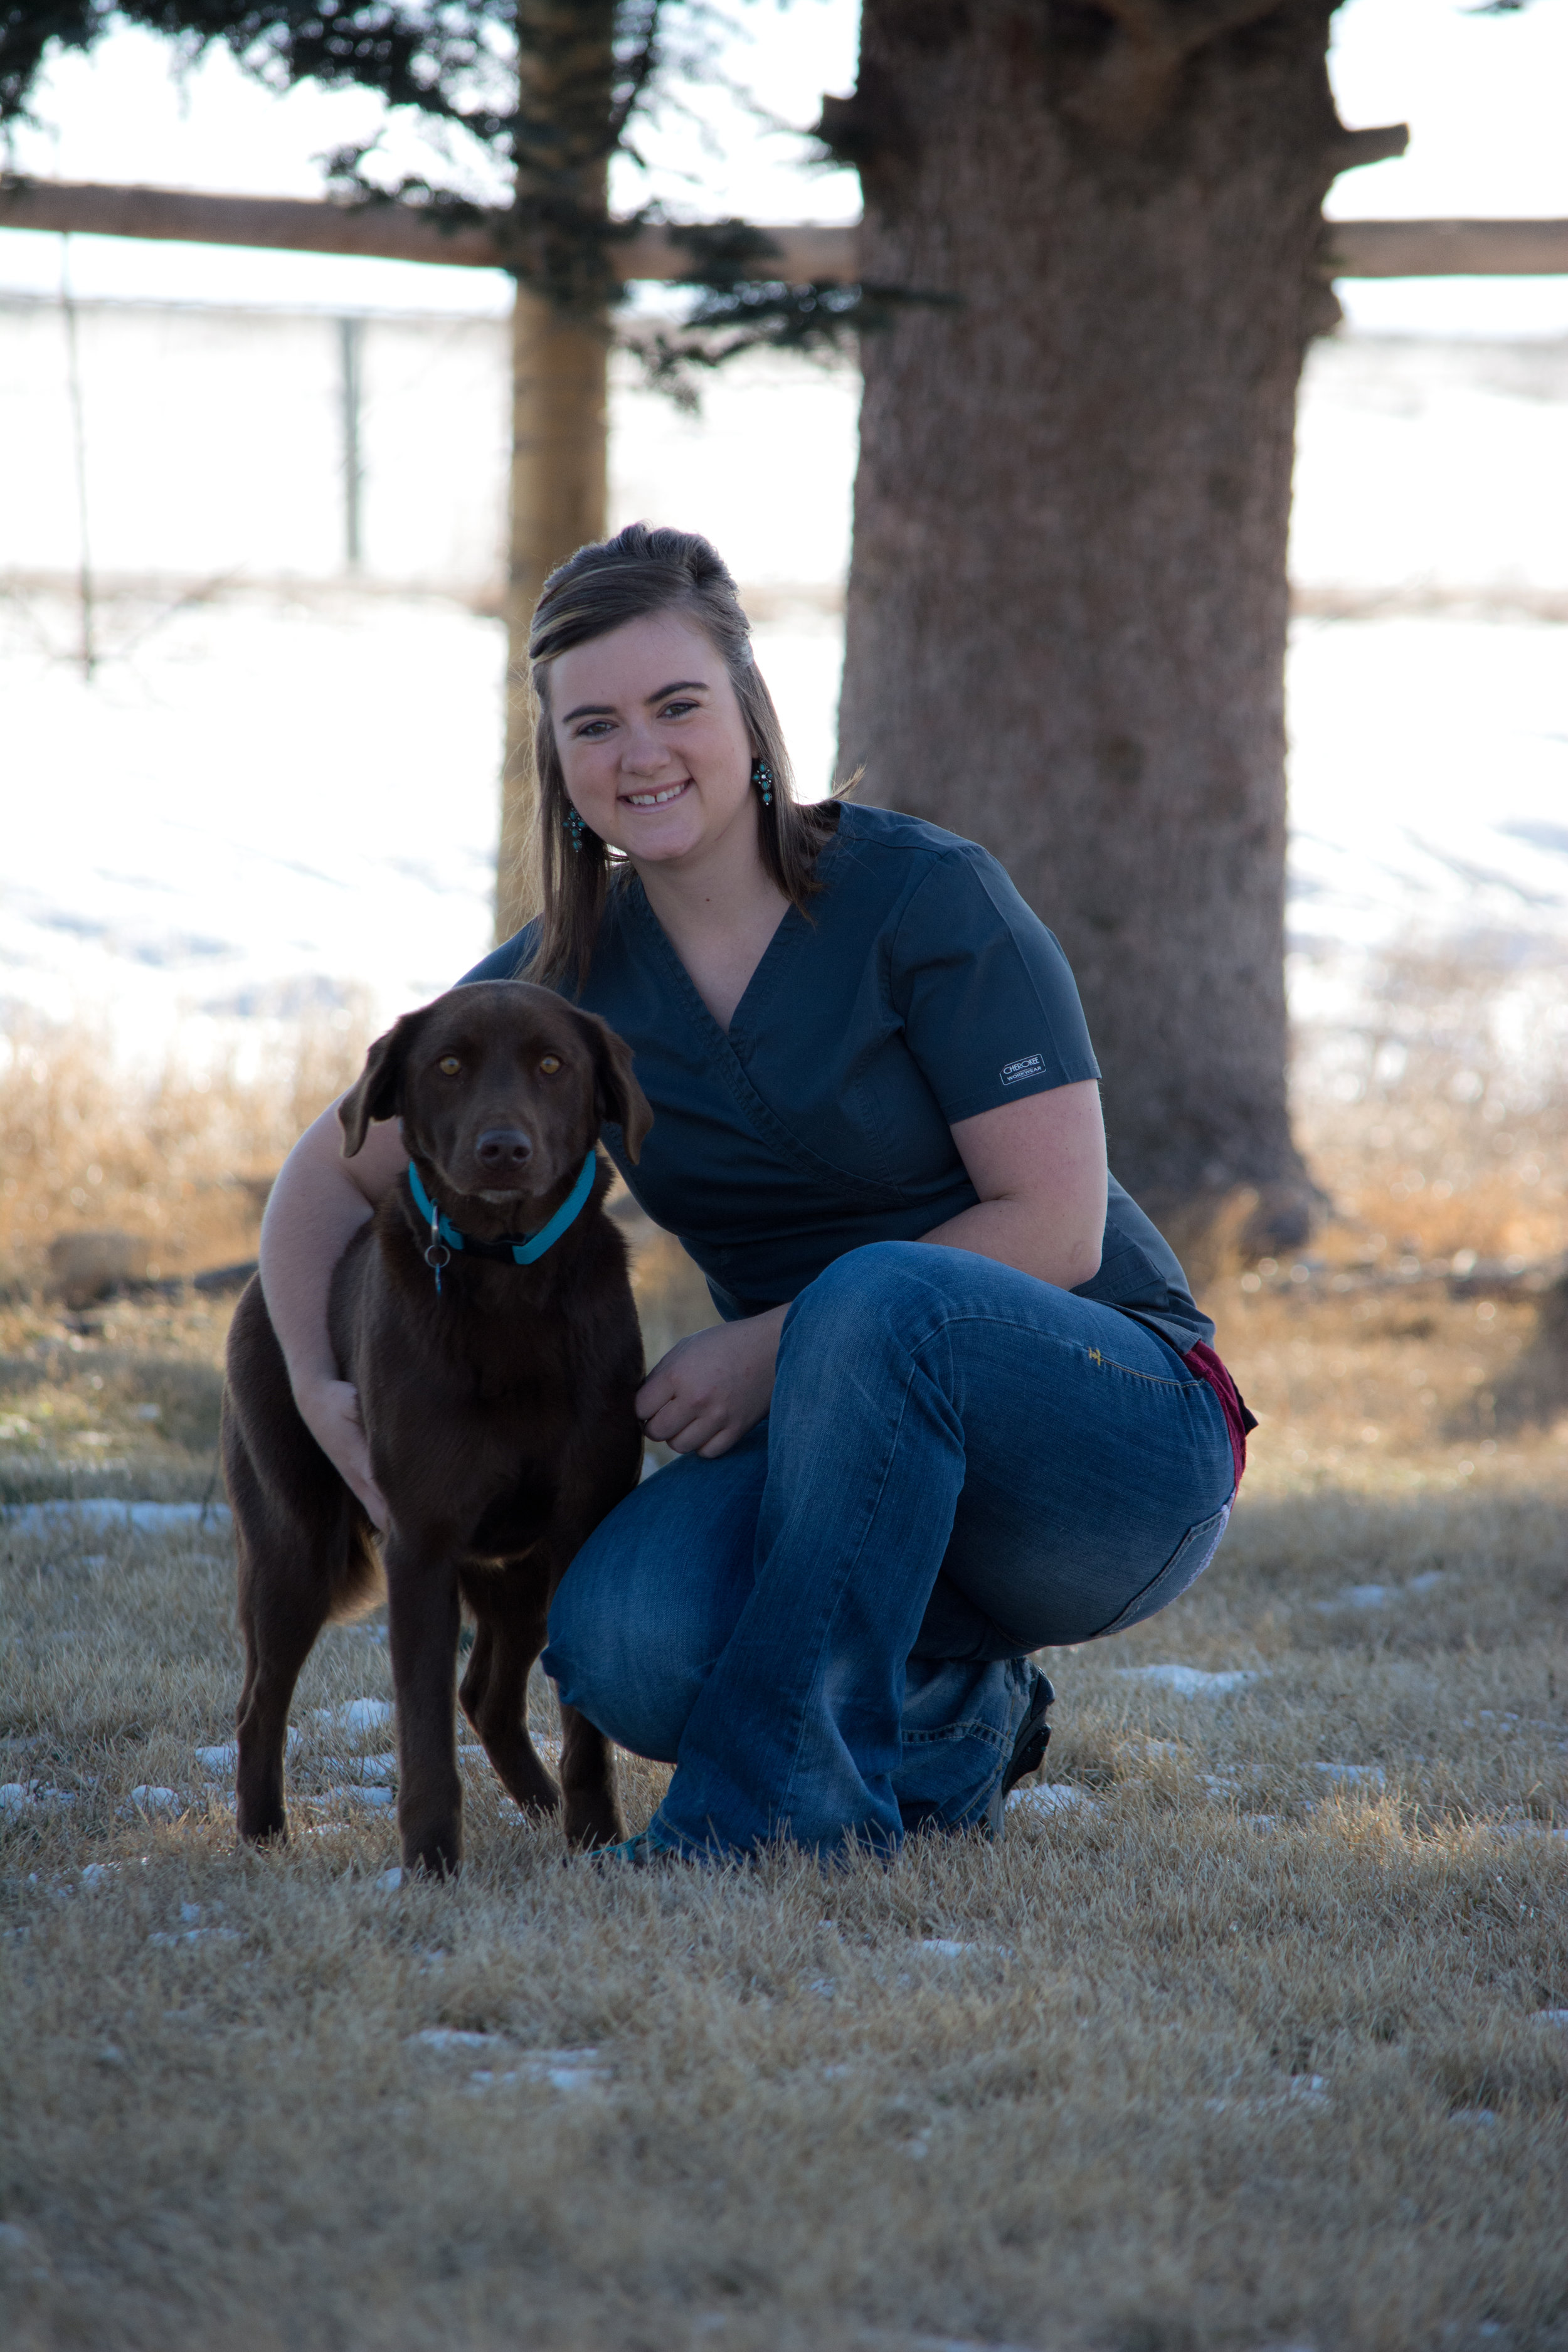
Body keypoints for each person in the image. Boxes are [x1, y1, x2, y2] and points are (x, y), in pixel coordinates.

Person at [258, 523, 1251, 1867]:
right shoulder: (561, 980)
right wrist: (322, 1394)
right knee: (616, 1639)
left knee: (878, 1293)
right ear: (556, 760)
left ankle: (755, 1825)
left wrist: (768, 1350)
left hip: (1109, 1437)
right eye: (594, 724)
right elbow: (322, 1183)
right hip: (846, 1474)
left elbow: (1055, 1225)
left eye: (678, 705)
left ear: (748, 713)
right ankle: (955, 1723)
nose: (642, 753)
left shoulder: (926, 897)